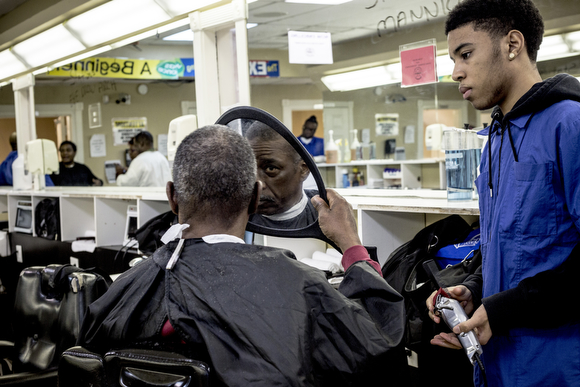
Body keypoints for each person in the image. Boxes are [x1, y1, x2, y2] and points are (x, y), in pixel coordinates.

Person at [78, 125, 407, 386]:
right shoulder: (299, 287)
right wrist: (351, 246)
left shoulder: (126, 287)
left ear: (173, 198)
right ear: (254, 197)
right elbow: (380, 352)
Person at [425, 1, 580, 386]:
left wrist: (503, 310)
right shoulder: (494, 140)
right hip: (496, 365)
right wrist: (473, 290)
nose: (456, 71)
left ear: (512, 44)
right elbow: (510, 242)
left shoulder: (570, 125)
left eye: (466, 54)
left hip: (555, 364)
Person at [246, 121, 318, 229]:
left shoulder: (324, 214)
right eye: (249, 169)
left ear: (303, 170)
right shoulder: (232, 217)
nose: (257, 184)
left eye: (271, 169)